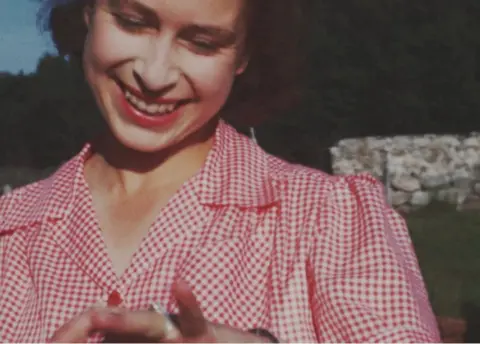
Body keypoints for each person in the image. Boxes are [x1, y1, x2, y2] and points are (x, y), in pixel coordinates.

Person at [0, 0, 441, 342]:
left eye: (202, 43)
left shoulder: (332, 221)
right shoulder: (8, 232)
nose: (154, 75)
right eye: (134, 22)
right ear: (88, 13)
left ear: (244, 55)